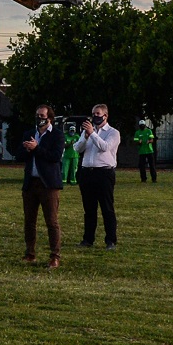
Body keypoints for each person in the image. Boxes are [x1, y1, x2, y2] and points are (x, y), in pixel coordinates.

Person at [18, 104, 64, 268]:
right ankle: (30, 253)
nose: (39, 119)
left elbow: (55, 157)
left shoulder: (57, 135)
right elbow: (19, 155)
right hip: (31, 182)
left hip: (49, 184)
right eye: (37, 115)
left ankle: (55, 256)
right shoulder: (29, 134)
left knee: (51, 221)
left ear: (50, 118)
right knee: (29, 221)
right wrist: (26, 150)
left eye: (42, 116)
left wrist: (37, 149)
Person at [74, 103, 121, 249]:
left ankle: (110, 240)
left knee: (107, 207)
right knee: (89, 209)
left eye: (98, 114)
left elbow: (105, 147)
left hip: (104, 173)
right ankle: (88, 239)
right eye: (93, 113)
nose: (95, 116)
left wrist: (93, 134)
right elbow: (77, 148)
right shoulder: (88, 131)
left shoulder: (113, 132)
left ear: (105, 116)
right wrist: (86, 137)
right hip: (87, 172)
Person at [134, 117, 158, 183]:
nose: (142, 126)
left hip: (149, 151)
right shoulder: (137, 133)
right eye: (141, 125)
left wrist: (149, 141)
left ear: (145, 125)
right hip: (142, 151)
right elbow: (136, 141)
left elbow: (152, 139)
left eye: (143, 125)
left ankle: (154, 179)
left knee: (152, 165)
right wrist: (139, 142)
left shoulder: (149, 131)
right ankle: (143, 179)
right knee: (142, 166)